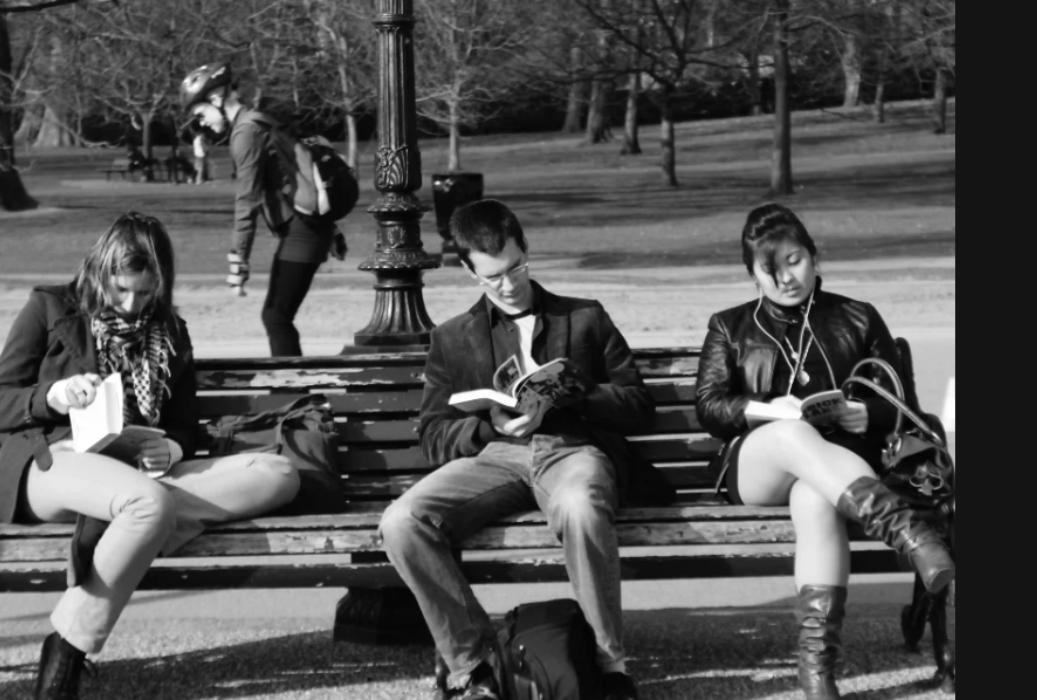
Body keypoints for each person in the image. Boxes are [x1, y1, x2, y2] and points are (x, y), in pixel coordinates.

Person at [0, 212, 300, 699]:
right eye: (121, 290)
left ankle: (139, 525)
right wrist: (55, 395)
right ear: (99, 271)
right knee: (149, 504)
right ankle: (68, 647)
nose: (132, 306)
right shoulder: (50, 307)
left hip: (135, 476)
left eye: (146, 293)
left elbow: (184, 425)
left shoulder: (171, 330)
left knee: (277, 473)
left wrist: (169, 445)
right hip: (53, 461)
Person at [378, 199, 653, 700]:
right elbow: (433, 434)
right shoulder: (452, 338)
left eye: (516, 267)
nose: (508, 284)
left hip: (572, 450)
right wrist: (486, 428)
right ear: (467, 270)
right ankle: (473, 665)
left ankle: (609, 669)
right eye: (492, 277)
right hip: (496, 458)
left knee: (579, 507)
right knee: (402, 521)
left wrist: (578, 393)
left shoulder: (585, 317)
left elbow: (638, 405)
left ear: (525, 248)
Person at [694, 203, 955, 700]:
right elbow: (708, 407)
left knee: (816, 502)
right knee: (792, 434)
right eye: (769, 269)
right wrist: (772, 410)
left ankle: (818, 674)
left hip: (834, 473)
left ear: (814, 256)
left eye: (794, 260)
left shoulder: (857, 317)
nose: (785, 278)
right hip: (758, 467)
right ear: (752, 274)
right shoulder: (730, 326)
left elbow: (905, 408)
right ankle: (907, 531)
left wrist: (868, 414)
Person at [179, 62, 335, 356]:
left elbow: (246, 200)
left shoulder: (245, 134)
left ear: (216, 99)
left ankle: (301, 397)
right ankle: (300, 396)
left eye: (200, 114)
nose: (201, 123)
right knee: (277, 316)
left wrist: (239, 258)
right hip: (309, 228)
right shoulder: (258, 120)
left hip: (302, 231)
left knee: (276, 316)